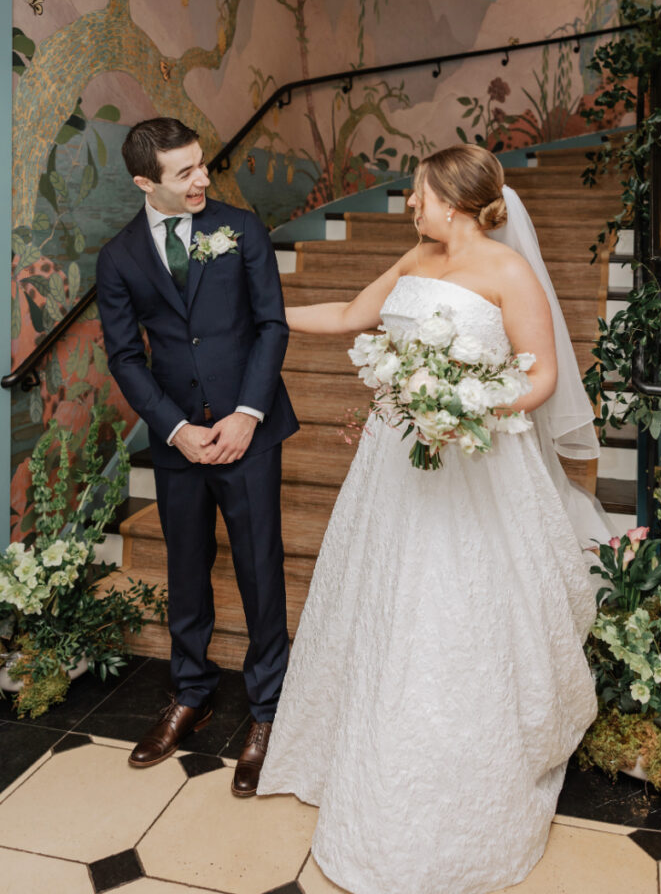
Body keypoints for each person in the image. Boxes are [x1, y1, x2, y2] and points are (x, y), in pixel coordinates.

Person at [257, 145, 610, 894]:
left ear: (450, 198)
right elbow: (353, 315)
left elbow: (540, 374)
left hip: (474, 459)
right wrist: (264, 315)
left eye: (416, 192)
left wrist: (464, 407)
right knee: (387, 601)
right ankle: (369, 758)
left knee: (457, 610)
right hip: (394, 461)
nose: (409, 203)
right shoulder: (414, 256)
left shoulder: (508, 272)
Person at [96, 118, 298, 796]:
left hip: (249, 434)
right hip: (178, 442)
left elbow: (271, 324)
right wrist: (177, 430)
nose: (201, 179)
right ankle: (191, 693)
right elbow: (126, 356)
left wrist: (247, 414)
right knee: (186, 570)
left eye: (201, 165)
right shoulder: (119, 256)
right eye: (184, 172)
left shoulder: (240, 228)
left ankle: (269, 710)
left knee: (259, 569)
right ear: (144, 183)